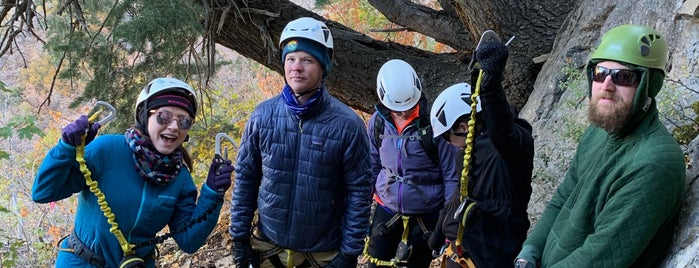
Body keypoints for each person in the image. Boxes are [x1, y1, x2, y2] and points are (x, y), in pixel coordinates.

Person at [514, 24, 686, 267]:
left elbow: (599, 257)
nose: (606, 85)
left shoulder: (654, 163)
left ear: (650, 85)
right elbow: (562, 198)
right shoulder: (598, 132)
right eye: (599, 73)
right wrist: (528, 253)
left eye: (623, 77)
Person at [32, 77, 234, 267]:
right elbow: (43, 193)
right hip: (81, 262)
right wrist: (66, 148)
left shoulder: (180, 178)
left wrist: (212, 193)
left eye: (184, 121)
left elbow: (189, 241)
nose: (174, 127)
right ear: (145, 115)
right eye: (164, 117)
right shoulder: (107, 149)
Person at [229, 17, 372, 268]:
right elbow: (246, 178)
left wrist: (349, 253)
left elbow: (359, 193)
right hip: (268, 245)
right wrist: (239, 238)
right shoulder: (263, 116)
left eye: (307, 60)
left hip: (322, 252)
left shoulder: (347, 124)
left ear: (323, 66)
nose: (296, 67)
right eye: (290, 59)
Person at [427, 35, 535, 268]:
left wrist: (490, 86)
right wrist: (437, 234)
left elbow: (501, 130)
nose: (448, 143)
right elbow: (457, 198)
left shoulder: (513, 145)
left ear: (464, 127)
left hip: (495, 252)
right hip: (464, 251)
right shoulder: (463, 156)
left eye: (448, 137)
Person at [364, 58, 459, 268]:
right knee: (375, 263)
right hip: (386, 208)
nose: (405, 113)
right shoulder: (378, 123)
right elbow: (371, 165)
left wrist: (448, 222)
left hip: (426, 214)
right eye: (398, 110)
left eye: (409, 106)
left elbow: (451, 175)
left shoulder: (435, 124)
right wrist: (361, 210)